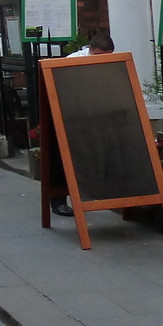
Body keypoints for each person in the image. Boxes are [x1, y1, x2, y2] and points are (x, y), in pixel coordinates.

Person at [53, 30, 117, 216]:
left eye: (106, 57)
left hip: (99, 113)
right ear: (90, 50)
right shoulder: (72, 61)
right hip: (74, 114)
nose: (101, 61)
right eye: (97, 56)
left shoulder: (114, 61)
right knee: (64, 157)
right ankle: (58, 200)